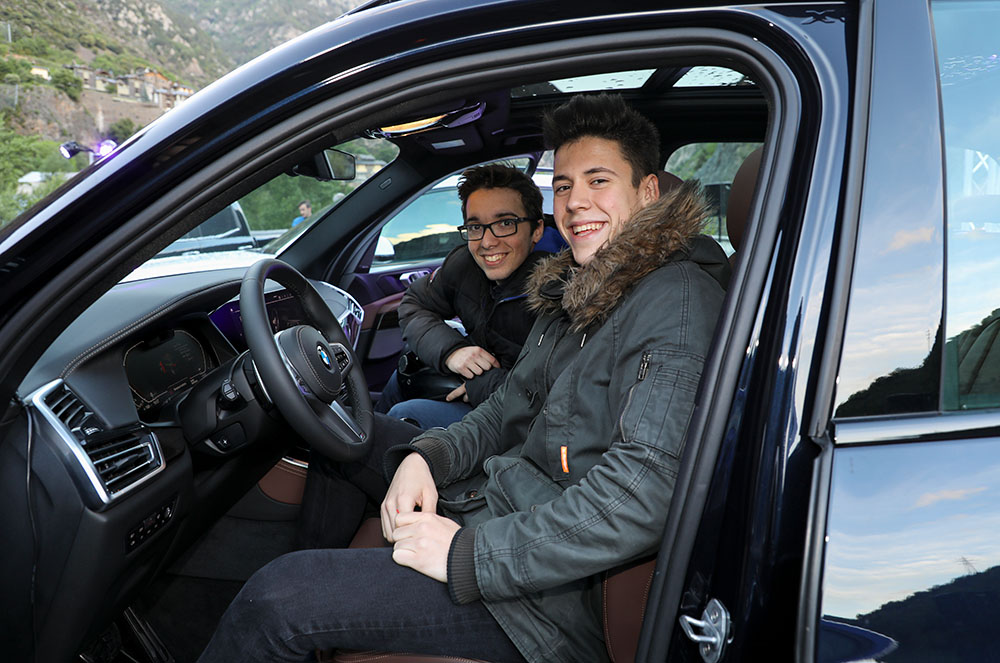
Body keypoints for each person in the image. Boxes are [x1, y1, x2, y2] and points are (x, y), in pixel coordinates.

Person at [198, 93, 730, 663]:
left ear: (647, 192)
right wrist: (428, 457)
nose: (576, 203)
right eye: (565, 185)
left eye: (598, 181)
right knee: (353, 434)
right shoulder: (575, 293)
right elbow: (505, 413)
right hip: (498, 503)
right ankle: (339, 600)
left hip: (541, 599)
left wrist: (469, 556)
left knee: (276, 598)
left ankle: (318, 607)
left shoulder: (673, 298)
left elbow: (641, 492)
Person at [376, 164, 548, 428]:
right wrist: (452, 352)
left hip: (523, 422)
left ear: (536, 229)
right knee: (401, 376)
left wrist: (484, 384)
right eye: (476, 227)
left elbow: (557, 392)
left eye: (505, 223)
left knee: (406, 414)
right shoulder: (465, 265)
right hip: (478, 388)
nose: (487, 242)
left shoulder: (561, 290)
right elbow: (414, 303)